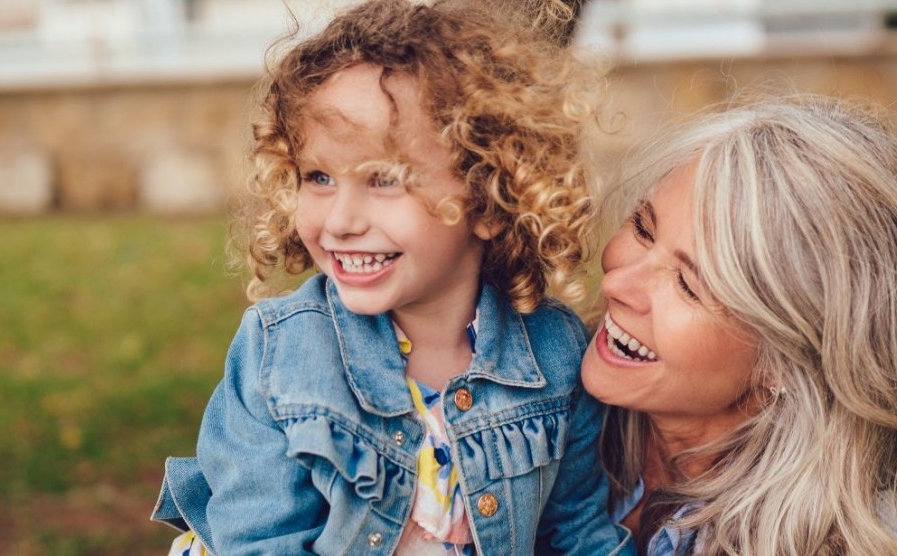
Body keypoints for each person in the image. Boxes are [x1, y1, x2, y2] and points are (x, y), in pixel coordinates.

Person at [151, 0, 631, 554]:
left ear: (491, 198)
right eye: (319, 177)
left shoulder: (554, 353)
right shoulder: (280, 356)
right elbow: (260, 540)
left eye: (384, 179)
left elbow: (577, 533)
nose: (341, 220)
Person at [583, 96, 897, 555]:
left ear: (784, 364)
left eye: (688, 285)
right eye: (644, 229)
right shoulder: (538, 399)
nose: (618, 282)